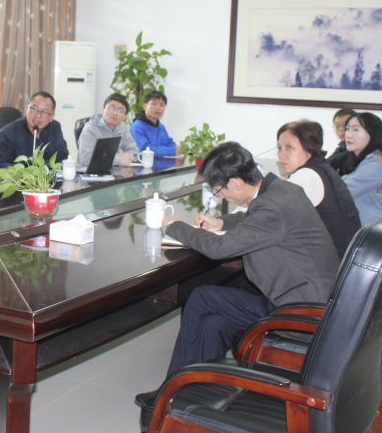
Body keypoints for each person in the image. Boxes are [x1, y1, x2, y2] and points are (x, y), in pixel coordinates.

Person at [134, 142, 339, 419]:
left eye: (219, 190)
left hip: (300, 313)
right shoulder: (284, 189)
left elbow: (219, 248)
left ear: (235, 183)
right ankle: (192, 390)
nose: (220, 195)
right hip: (312, 301)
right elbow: (255, 218)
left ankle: (169, 393)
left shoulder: (271, 206)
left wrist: (174, 226)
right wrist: (223, 223)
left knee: (203, 298)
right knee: (213, 321)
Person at [277, 120, 361, 259]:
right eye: (279, 148)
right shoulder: (323, 168)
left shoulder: (305, 176)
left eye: (289, 147)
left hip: (328, 263)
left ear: (309, 148)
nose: (282, 154)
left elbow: (268, 216)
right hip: (343, 259)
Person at [0, 92, 69, 179]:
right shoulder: (6, 133)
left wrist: (42, 169)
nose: (38, 116)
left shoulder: (55, 127)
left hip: (47, 183)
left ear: (52, 117)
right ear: (27, 109)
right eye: (34, 109)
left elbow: (63, 157)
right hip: (17, 183)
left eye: (45, 112)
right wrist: (27, 171)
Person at [339, 113, 382, 224]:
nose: (348, 135)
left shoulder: (375, 164)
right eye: (347, 129)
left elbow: (343, 192)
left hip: (376, 230)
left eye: (356, 129)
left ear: (373, 134)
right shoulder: (367, 160)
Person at [77, 93, 139, 167]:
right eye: (111, 108)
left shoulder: (122, 127)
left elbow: (134, 151)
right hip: (89, 172)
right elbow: (85, 160)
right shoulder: (90, 130)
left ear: (124, 116)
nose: (115, 113)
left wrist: (123, 157)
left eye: (120, 111)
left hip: (113, 171)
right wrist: (117, 159)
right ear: (103, 110)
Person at [129, 91, 180, 157]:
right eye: (154, 104)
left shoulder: (161, 127)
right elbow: (144, 150)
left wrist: (179, 149)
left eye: (162, 105)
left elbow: (168, 142)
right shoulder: (137, 126)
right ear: (145, 106)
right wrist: (173, 151)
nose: (158, 107)